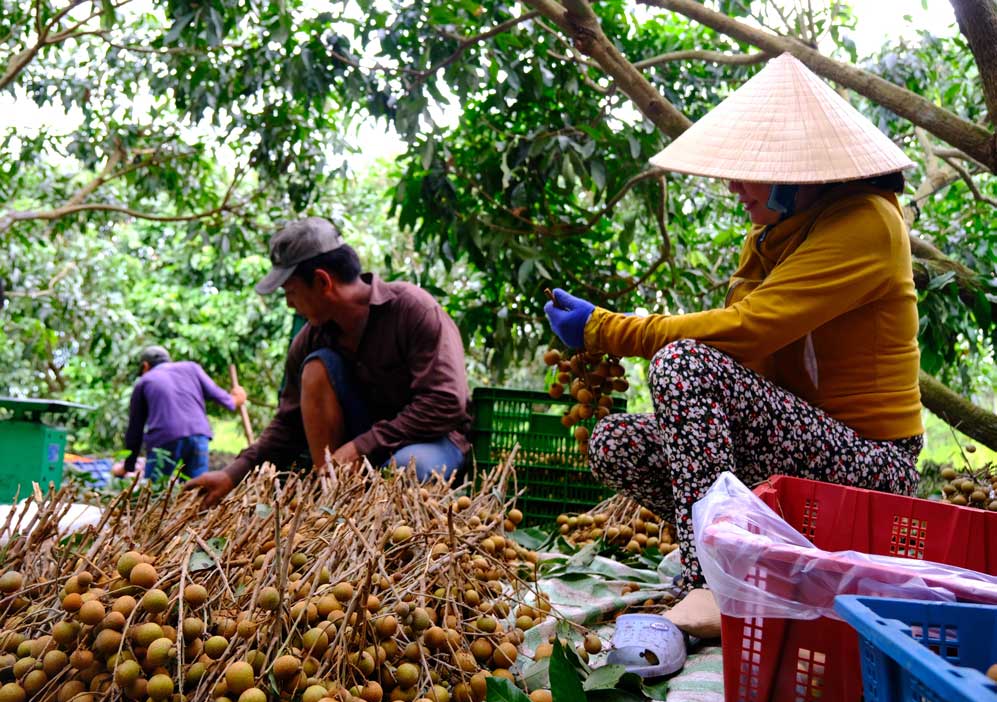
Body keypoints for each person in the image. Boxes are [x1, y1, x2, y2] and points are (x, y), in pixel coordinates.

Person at [545, 53, 923, 593]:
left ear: (795, 170)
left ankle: (707, 584)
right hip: (801, 445)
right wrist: (760, 248)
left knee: (681, 363)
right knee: (614, 440)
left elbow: (748, 329)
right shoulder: (776, 235)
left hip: (875, 466)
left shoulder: (867, 222)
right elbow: (744, 355)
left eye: (746, 174)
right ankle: (747, 558)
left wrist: (609, 330)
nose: (733, 189)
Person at [184, 217, 472, 506]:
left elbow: (445, 401)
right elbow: (288, 422)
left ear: (322, 281)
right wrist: (233, 474)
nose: (289, 304)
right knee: (317, 366)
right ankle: (333, 498)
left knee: (405, 472)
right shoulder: (311, 339)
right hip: (357, 451)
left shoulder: (413, 309)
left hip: (431, 440)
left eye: (291, 292)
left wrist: (361, 447)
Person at [114, 346, 248, 481]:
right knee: (195, 491)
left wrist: (128, 466)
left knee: (153, 492)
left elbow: (135, 431)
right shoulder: (192, 369)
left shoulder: (144, 381)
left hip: (164, 439)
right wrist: (237, 398)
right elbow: (225, 399)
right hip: (198, 434)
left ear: (145, 366)